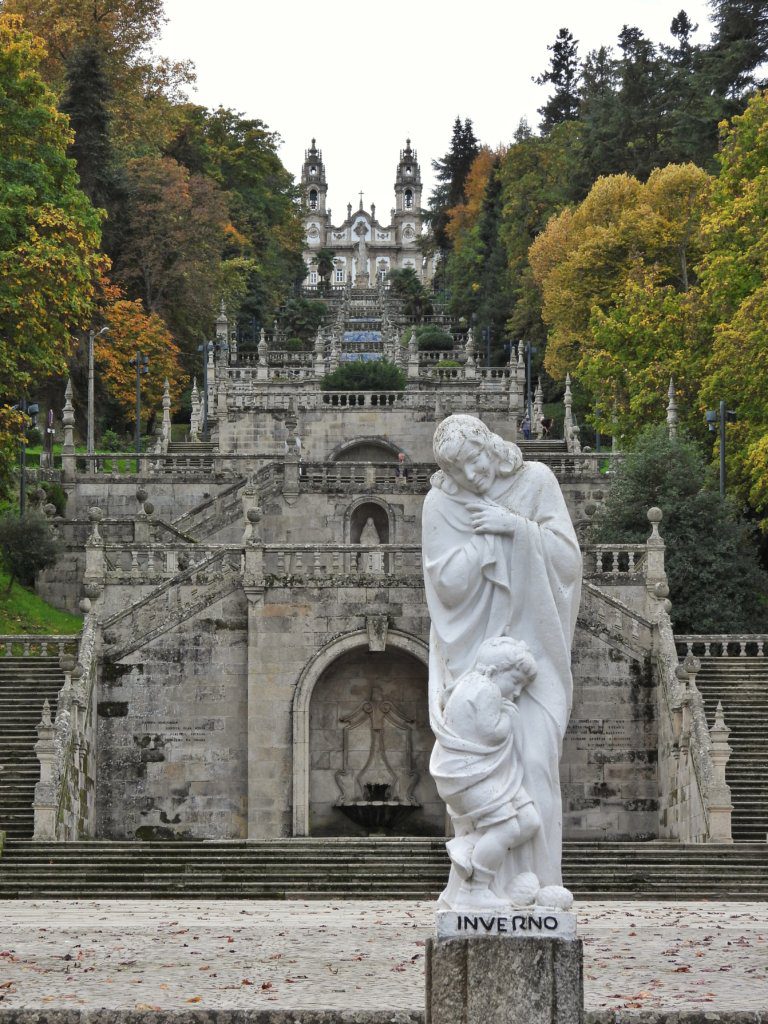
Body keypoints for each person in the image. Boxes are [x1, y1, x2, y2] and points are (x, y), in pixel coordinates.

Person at [422, 414, 581, 906]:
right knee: (487, 777)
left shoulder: (536, 481)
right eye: (461, 469)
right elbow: (444, 583)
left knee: (536, 761)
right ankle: (483, 884)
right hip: (476, 657)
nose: (473, 477)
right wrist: (486, 542)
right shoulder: (441, 503)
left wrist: (513, 527)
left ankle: (544, 883)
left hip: (534, 649)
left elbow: (568, 561)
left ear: (490, 445)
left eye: (475, 460)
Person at [431, 637, 541, 909]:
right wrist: (509, 717)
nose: (516, 692)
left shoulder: (468, 685)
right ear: (494, 672)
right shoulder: (486, 689)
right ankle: (475, 890)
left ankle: (468, 845)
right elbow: (491, 732)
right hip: (467, 776)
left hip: (484, 773)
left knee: (529, 821)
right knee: (505, 827)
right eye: (515, 683)